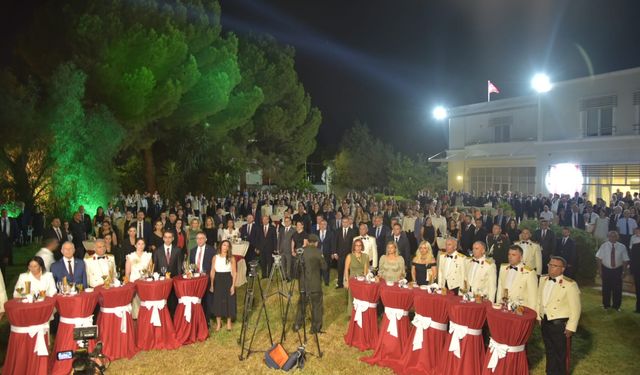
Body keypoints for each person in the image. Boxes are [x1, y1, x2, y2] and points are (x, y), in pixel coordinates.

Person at [537, 256, 581, 375]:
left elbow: (576, 309)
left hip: (560, 325)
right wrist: (539, 316)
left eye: (555, 266)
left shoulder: (570, 284)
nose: (551, 268)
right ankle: (550, 372)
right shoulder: (543, 279)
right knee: (549, 350)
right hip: (546, 321)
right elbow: (539, 299)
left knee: (561, 354)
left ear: (562, 269)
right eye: (550, 265)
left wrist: (571, 327)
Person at [293, 234, 327, 334]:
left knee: (302, 304)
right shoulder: (318, 252)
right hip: (315, 284)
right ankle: (315, 328)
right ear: (316, 242)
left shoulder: (301, 251)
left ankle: (297, 324)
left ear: (307, 241)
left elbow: (296, 268)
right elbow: (324, 266)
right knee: (316, 305)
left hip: (303, 284)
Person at [496, 245, 538, 312]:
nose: (510, 257)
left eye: (513, 255)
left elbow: (533, 296)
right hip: (504, 307)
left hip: (520, 309)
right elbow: (500, 288)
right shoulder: (503, 268)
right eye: (509, 254)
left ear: (521, 257)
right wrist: (498, 304)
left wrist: (532, 314)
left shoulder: (529, 272)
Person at [595, 231, 629, 311]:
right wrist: (600, 270)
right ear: (608, 237)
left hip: (617, 270)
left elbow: (625, 260)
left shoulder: (622, 247)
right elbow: (599, 258)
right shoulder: (604, 246)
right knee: (606, 288)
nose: (613, 238)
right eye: (611, 236)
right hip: (606, 269)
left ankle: (616, 306)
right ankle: (606, 305)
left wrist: (624, 271)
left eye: (614, 236)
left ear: (617, 237)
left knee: (617, 289)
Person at [209, 240, 237, 331]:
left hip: (228, 279)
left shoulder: (231, 258)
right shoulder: (215, 257)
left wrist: (233, 285)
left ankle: (229, 323)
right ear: (220, 246)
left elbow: (234, 272)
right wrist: (212, 284)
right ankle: (218, 323)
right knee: (217, 301)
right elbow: (212, 271)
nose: (225, 247)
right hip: (218, 279)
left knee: (229, 300)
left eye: (227, 246)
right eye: (224, 245)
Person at [190, 231, 216, 323]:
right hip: (196, 279)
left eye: (202, 238)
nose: (199, 240)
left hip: (207, 278)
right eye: (198, 238)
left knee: (208, 299)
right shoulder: (192, 251)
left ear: (206, 239)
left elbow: (214, 265)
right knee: (197, 298)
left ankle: (207, 319)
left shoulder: (212, 250)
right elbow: (191, 265)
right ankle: (198, 318)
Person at [125, 238, 152, 319]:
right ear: (135, 245)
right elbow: (127, 272)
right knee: (135, 304)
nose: (140, 246)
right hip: (134, 282)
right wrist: (128, 284)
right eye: (139, 244)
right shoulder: (130, 256)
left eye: (142, 244)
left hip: (145, 283)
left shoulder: (148, 255)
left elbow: (150, 271)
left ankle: (145, 318)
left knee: (145, 302)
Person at [344, 239, 370, 314]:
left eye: (360, 245)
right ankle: (352, 314)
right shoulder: (349, 256)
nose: (358, 247)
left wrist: (365, 281)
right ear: (354, 247)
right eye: (356, 245)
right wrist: (346, 281)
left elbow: (366, 271)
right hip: (352, 280)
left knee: (362, 298)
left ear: (362, 247)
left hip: (362, 280)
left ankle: (361, 313)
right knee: (352, 297)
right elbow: (346, 270)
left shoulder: (366, 256)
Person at [334, 217, 355, 289]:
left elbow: (354, 244)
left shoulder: (353, 231)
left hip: (349, 254)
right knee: (340, 269)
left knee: (348, 269)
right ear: (341, 223)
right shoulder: (337, 231)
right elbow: (335, 242)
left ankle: (348, 283)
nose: (345, 223)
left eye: (346, 222)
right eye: (343, 222)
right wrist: (335, 253)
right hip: (339, 254)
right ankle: (340, 284)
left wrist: (353, 254)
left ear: (349, 222)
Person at [0, 209, 18, 277]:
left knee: (9, 249)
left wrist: (15, 238)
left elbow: (16, 229)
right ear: (1, 213)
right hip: (1, 239)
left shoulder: (11, 220)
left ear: (7, 213)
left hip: (10, 238)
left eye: (5, 213)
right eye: (3, 213)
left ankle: (10, 261)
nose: (4, 214)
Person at [278, 216, 296, 281]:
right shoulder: (281, 229)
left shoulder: (293, 230)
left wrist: (293, 250)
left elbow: (294, 241)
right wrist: (278, 249)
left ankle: (289, 277)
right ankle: (284, 276)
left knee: (289, 265)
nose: (286, 222)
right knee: (282, 264)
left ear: (290, 222)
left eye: (288, 221)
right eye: (285, 221)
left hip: (289, 250)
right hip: (282, 250)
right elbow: (279, 239)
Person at [630, 227, 640, 313]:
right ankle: (638, 308)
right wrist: (632, 272)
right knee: (638, 290)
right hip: (637, 272)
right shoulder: (635, 247)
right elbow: (632, 259)